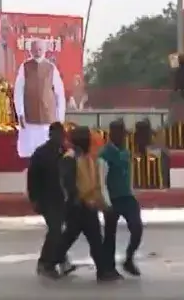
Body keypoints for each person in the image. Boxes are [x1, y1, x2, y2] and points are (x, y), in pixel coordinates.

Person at [57, 126, 122, 283]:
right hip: (77, 206)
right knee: (76, 237)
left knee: (89, 238)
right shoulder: (70, 158)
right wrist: (79, 199)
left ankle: (102, 271)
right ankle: (49, 261)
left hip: (87, 204)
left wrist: (98, 202)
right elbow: (69, 184)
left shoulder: (86, 157)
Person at [99, 120, 143, 276]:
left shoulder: (126, 152)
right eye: (119, 133)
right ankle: (108, 267)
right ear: (112, 134)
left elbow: (128, 175)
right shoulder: (104, 154)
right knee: (110, 234)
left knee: (137, 228)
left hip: (127, 197)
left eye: (123, 134)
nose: (122, 137)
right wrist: (106, 202)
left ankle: (129, 259)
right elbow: (101, 180)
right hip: (112, 199)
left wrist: (132, 192)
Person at [27, 122, 68, 278]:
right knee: (55, 230)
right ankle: (44, 262)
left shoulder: (64, 152)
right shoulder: (41, 154)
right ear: (51, 135)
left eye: (62, 135)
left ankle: (61, 259)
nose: (60, 138)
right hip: (47, 199)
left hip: (61, 198)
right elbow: (32, 178)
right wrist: (34, 199)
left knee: (60, 231)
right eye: (57, 135)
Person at [13, 39, 66, 158]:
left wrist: (60, 118)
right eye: (35, 49)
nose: (37, 51)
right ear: (30, 50)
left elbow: (59, 93)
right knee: (31, 151)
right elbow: (18, 91)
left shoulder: (51, 68)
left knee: (48, 149)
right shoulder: (24, 67)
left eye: (40, 49)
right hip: (29, 115)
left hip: (48, 115)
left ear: (45, 50)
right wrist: (20, 113)